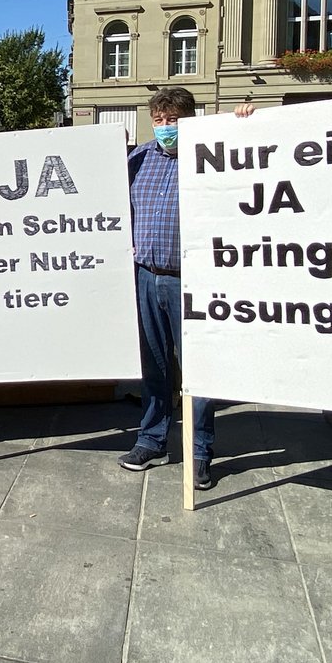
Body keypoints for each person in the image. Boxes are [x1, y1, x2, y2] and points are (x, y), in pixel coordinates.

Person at [118, 88, 252, 491]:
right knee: (154, 365)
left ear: (191, 120)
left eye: (172, 120)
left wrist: (246, 124)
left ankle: (199, 451)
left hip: (193, 278)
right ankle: (151, 440)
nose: (164, 127)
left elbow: (254, 169)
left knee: (199, 368)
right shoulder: (138, 159)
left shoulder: (213, 155)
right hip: (145, 275)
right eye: (158, 120)